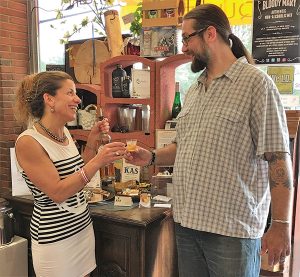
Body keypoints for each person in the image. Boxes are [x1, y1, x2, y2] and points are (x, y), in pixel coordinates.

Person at [125, 4, 293, 277]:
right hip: (187, 224)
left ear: (210, 33)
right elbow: (183, 147)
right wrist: (152, 156)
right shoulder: (195, 91)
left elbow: (278, 158)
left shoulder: (256, 85)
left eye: (187, 38)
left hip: (232, 232)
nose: (183, 48)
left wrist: (281, 224)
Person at [14, 71, 126, 277]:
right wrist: (99, 160)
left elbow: (77, 176)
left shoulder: (64, 132)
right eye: (70, 93)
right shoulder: (28, 142)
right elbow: (58, 192)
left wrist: (92, 143)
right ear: (49, 99)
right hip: (54, 240)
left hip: (81, 229)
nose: (78, 99)